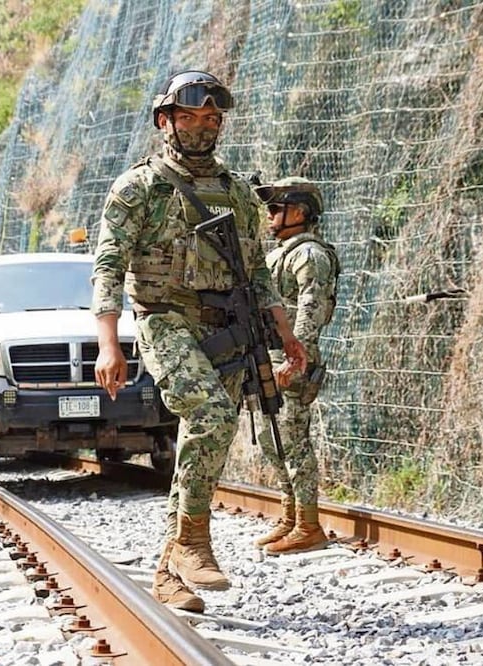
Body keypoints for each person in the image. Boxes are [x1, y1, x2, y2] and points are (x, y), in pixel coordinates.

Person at [90, 70, 307, 612]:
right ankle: (192, 541)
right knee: (210, 415)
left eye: (212, 118)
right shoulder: (138, 187)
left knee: (205, 440)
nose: (202, 127)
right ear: (166, 120)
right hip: (165, 318)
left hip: (227, 324)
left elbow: (256, 272)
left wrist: (288, 336)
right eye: (190, 117)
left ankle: (170, 574)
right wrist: (108, 343)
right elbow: (108, 265)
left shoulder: (235, 190)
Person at [252, 177, 340, 554]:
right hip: (270, 358)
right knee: (272, 441)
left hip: (290, 359)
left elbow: (311, 307)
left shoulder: (309, 255)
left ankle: (308, 523)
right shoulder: (284, 252)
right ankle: (289, 516)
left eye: (276, 208)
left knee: (293, 442)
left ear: (300, 212)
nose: (269, 216)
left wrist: (295, 354)